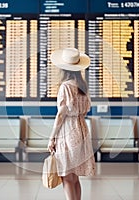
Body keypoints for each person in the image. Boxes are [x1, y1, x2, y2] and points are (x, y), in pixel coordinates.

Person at [47, 48, 96, 200]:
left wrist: (52, 137)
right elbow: (86, 110)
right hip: (81, 129)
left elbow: (61, 114)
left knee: (66, 177)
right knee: (74, 177)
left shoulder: (65, 87)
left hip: (67, 132)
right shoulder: (83, 86)